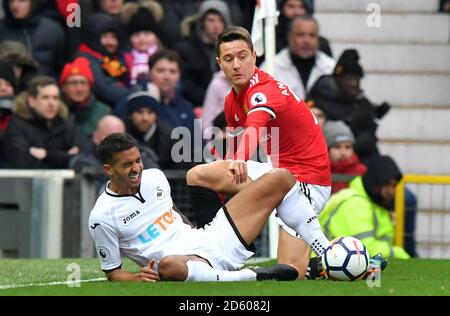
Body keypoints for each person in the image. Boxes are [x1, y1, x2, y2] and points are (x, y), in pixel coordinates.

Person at [89, 133, 334, 282]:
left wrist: (190, 226)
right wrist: (135, 278)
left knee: (280, 177)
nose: (136, 169)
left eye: (138, 161)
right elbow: (112, 272)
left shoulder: (154, 177)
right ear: (108, 170)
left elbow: (172, 210)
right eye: (127, 165)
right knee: (168, 266)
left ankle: (325, 250)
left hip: (212, 239)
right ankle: (250, 276)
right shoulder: (102, 217)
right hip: (187, 264)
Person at [186, 26, 331, 278]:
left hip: (307, 182)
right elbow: (233, 146)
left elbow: (254, 127)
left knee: (291, 273)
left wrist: (240, 160)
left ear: (254, 56)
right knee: (198, 175)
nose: (236, 64)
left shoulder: (264, 90)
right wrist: (225, 190)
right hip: (276, 174)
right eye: (229, 59)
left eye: (242, 56)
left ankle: (333, 262)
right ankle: (209, 246)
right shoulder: (232, 100)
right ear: (220, 63)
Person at [319, 155, 410, 259]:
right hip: (325, 264)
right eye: (387, 184)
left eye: (394, 186)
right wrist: (400, 255)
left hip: (333, 262)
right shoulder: (356, 203)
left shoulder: (371, 202)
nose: (391, 191)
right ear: (375, 181)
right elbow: (365, 248)